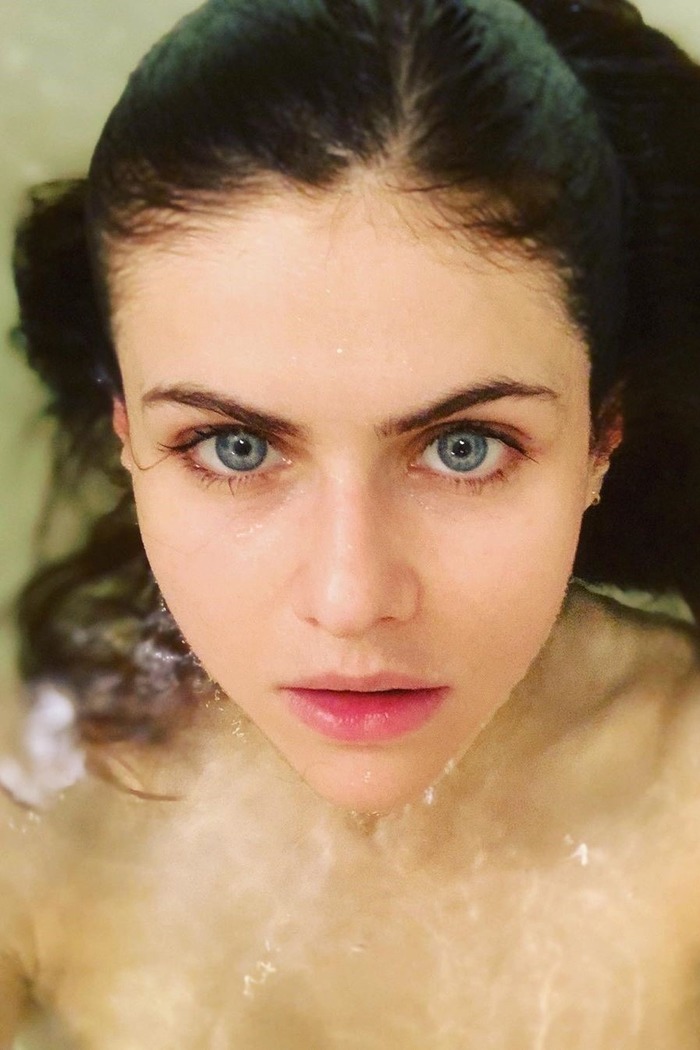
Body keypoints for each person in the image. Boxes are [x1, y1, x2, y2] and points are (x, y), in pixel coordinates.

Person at [2, 0, 700, 1045]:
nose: (350, 598)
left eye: (463, 447)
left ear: (602, 438)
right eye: (235, 447)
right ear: (127, 440)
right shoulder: (39, 798)